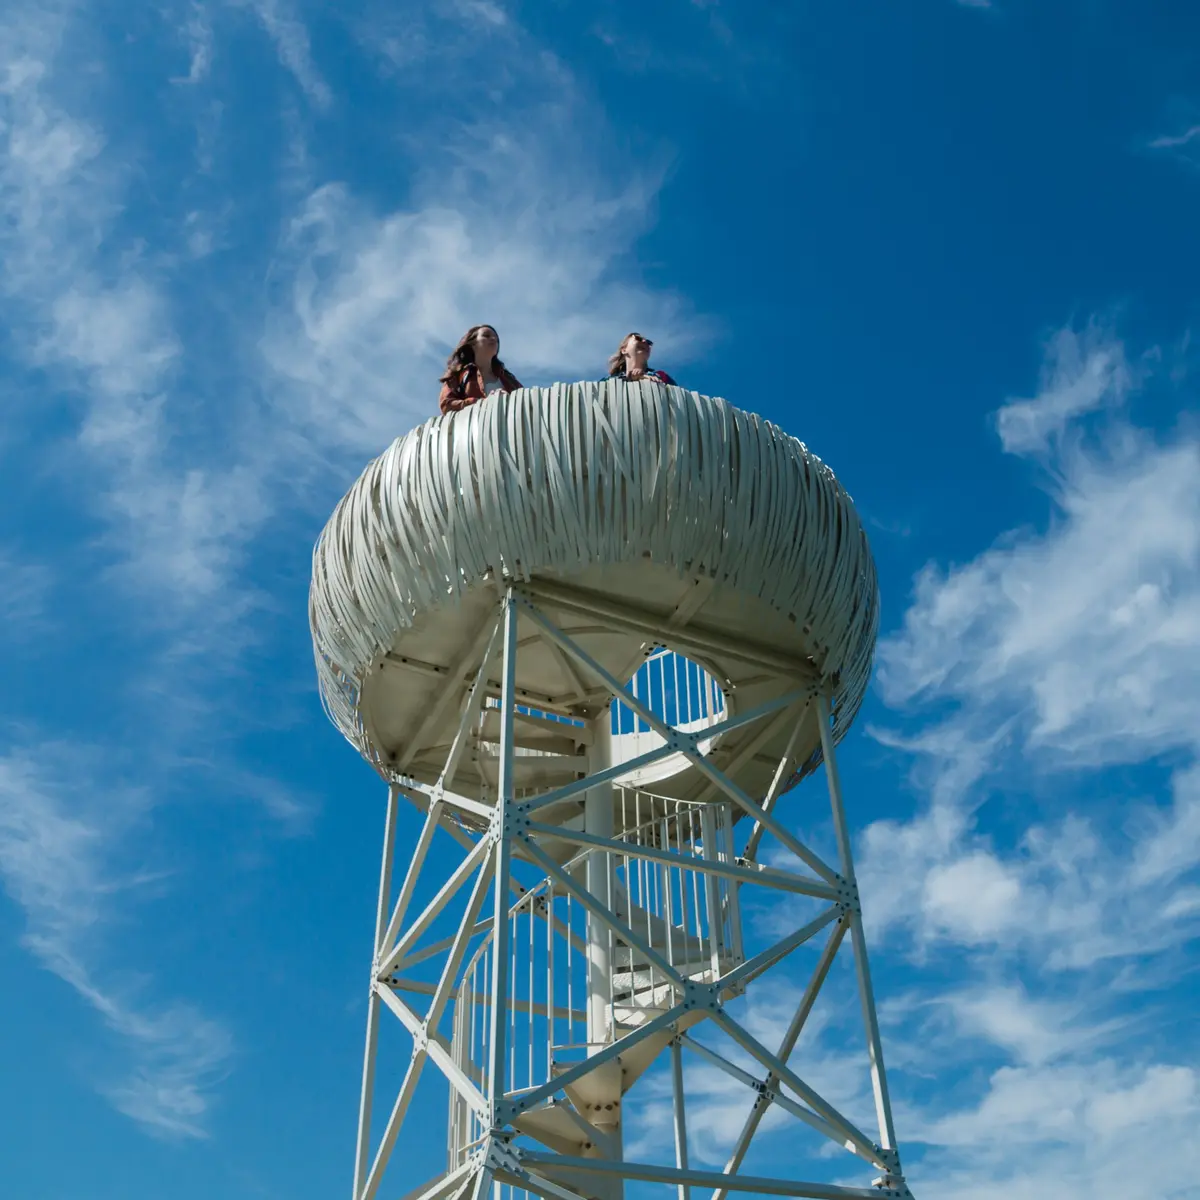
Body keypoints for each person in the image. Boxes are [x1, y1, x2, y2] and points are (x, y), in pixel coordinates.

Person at [438, 325, 522, 415]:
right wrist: (482, 403)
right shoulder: (459, 375)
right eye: (486, 335)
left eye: (496, 338)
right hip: (475, 427)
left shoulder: (509, 379)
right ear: (473, 344)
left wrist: (508, 400)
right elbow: (446, 404)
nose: (493, 338)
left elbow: (527, 404)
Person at [606, 332, 677, 385]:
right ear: (624, 350)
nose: (644, 342)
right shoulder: (609, 381)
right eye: (638, 339)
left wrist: (651, 381)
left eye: (648, 342)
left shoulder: (662, 376)